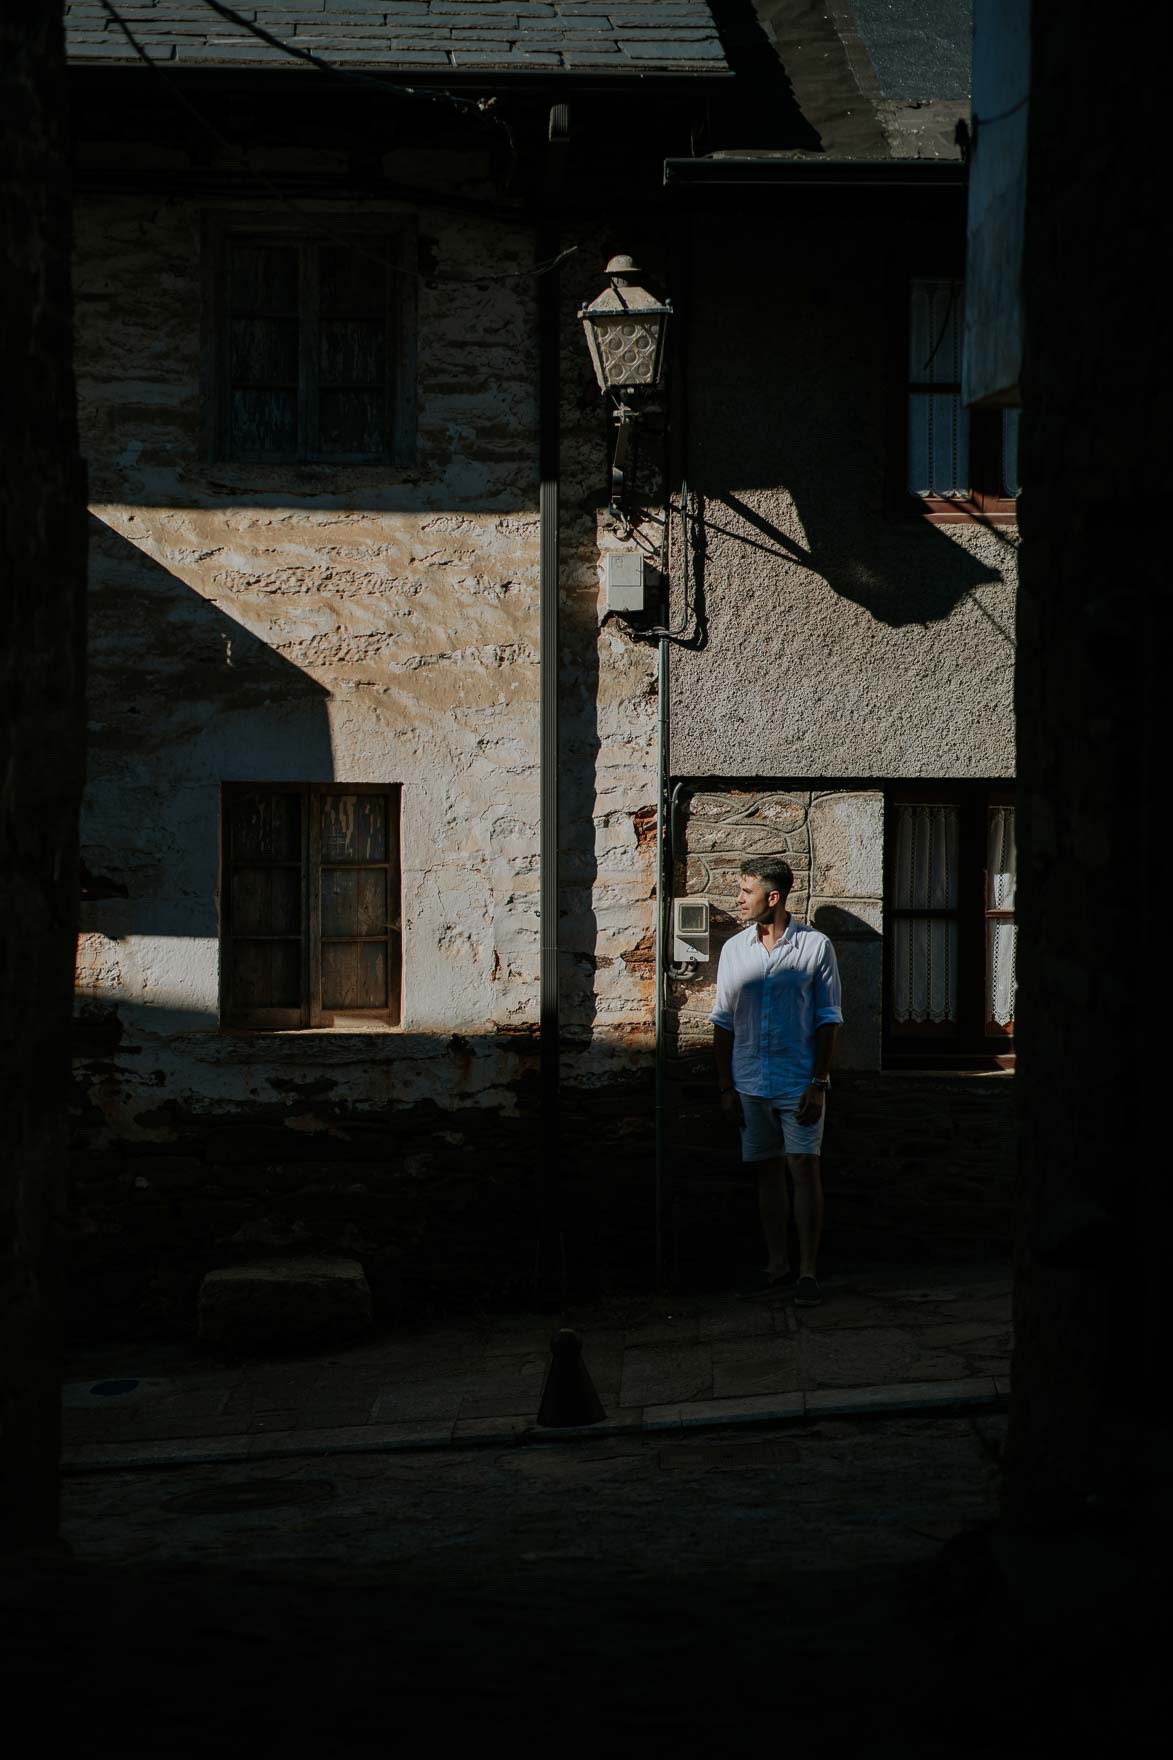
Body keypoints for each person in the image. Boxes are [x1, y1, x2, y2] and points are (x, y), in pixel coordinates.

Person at [709, 858, 843, 1306]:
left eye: (747, 892)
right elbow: (723, 1022)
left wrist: (818, 1082)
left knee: (804, 1169)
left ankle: (807, 1270)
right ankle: (777, 1265)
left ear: (774, 897)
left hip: (797, 1080)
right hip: (750, 1081)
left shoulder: (815, 947)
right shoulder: (735, 951)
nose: (739, 899)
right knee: (766, 1173)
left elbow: (828, 1019)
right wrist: (726, 1086)